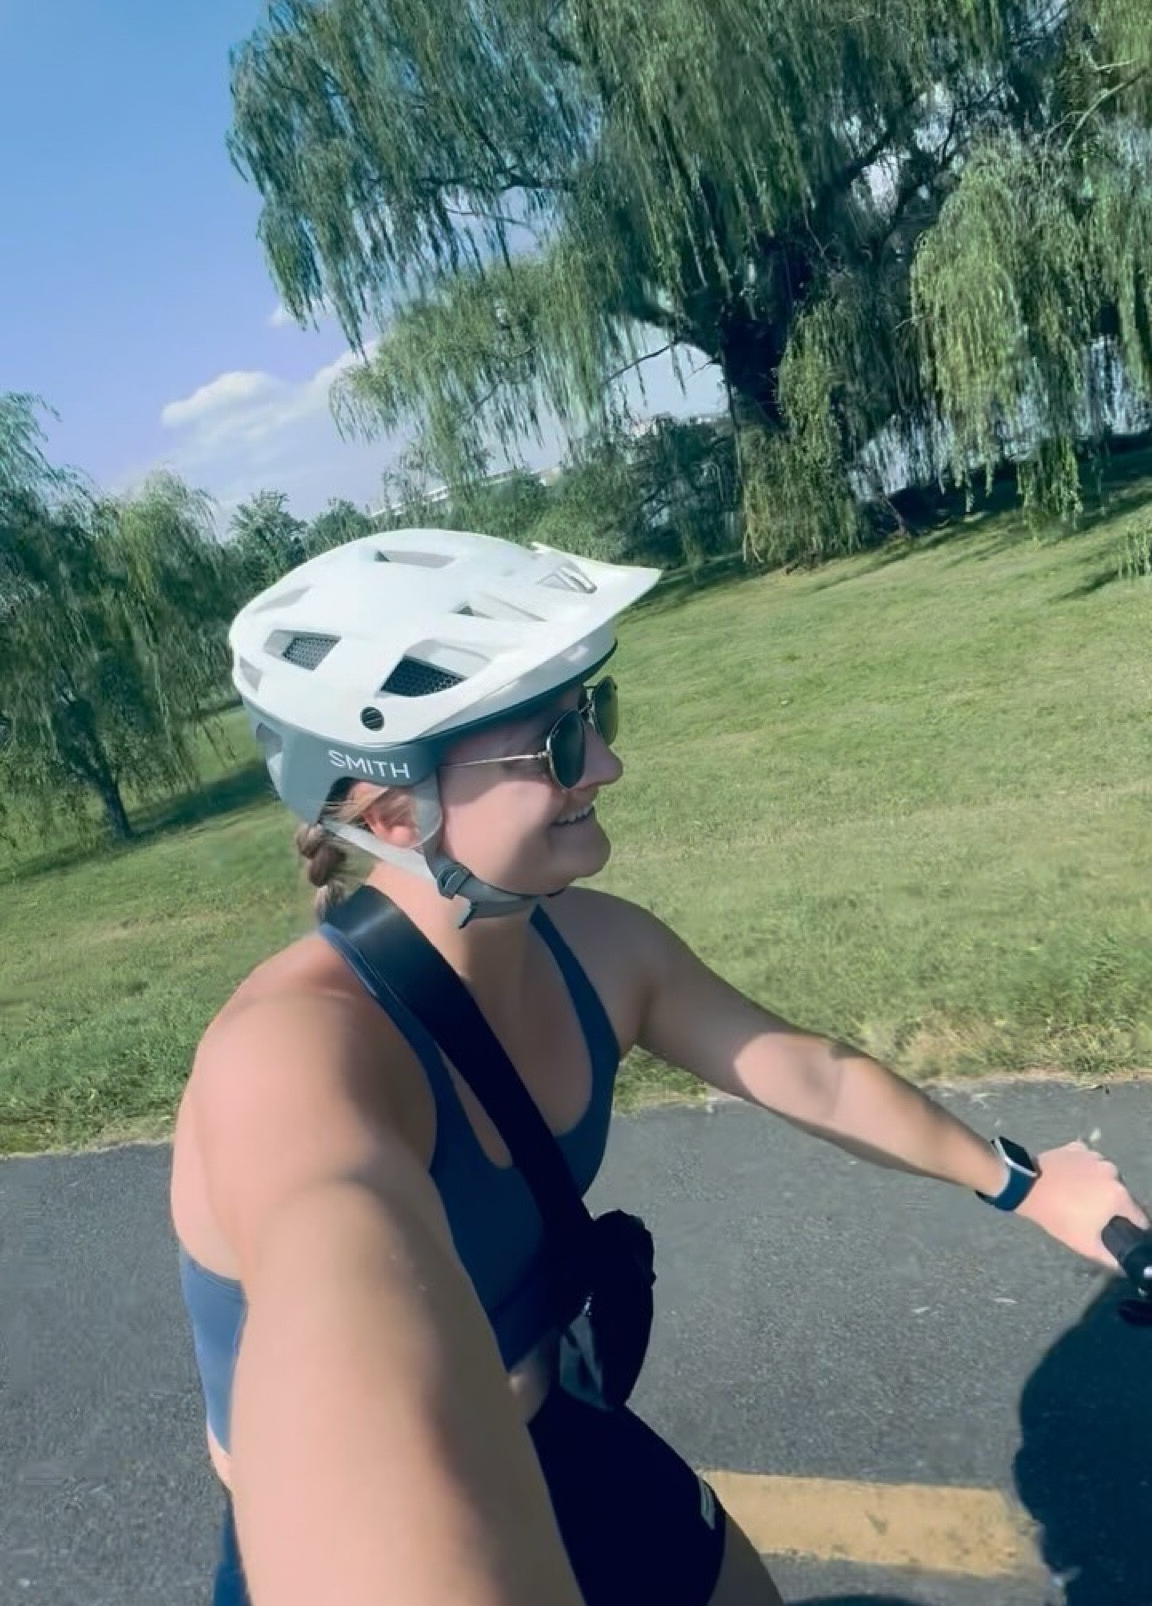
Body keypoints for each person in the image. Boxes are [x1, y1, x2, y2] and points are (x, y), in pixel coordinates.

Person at [170, 527, 1147, 1606]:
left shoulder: (598, 947)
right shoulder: (291, 1058)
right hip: (363, 1523)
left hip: (558, 1427)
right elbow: (336, 1351)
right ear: (398, 810)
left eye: (596, 714)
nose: (606, 764)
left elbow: (810, 1075)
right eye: (555, 746)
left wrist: (1027, 1184)